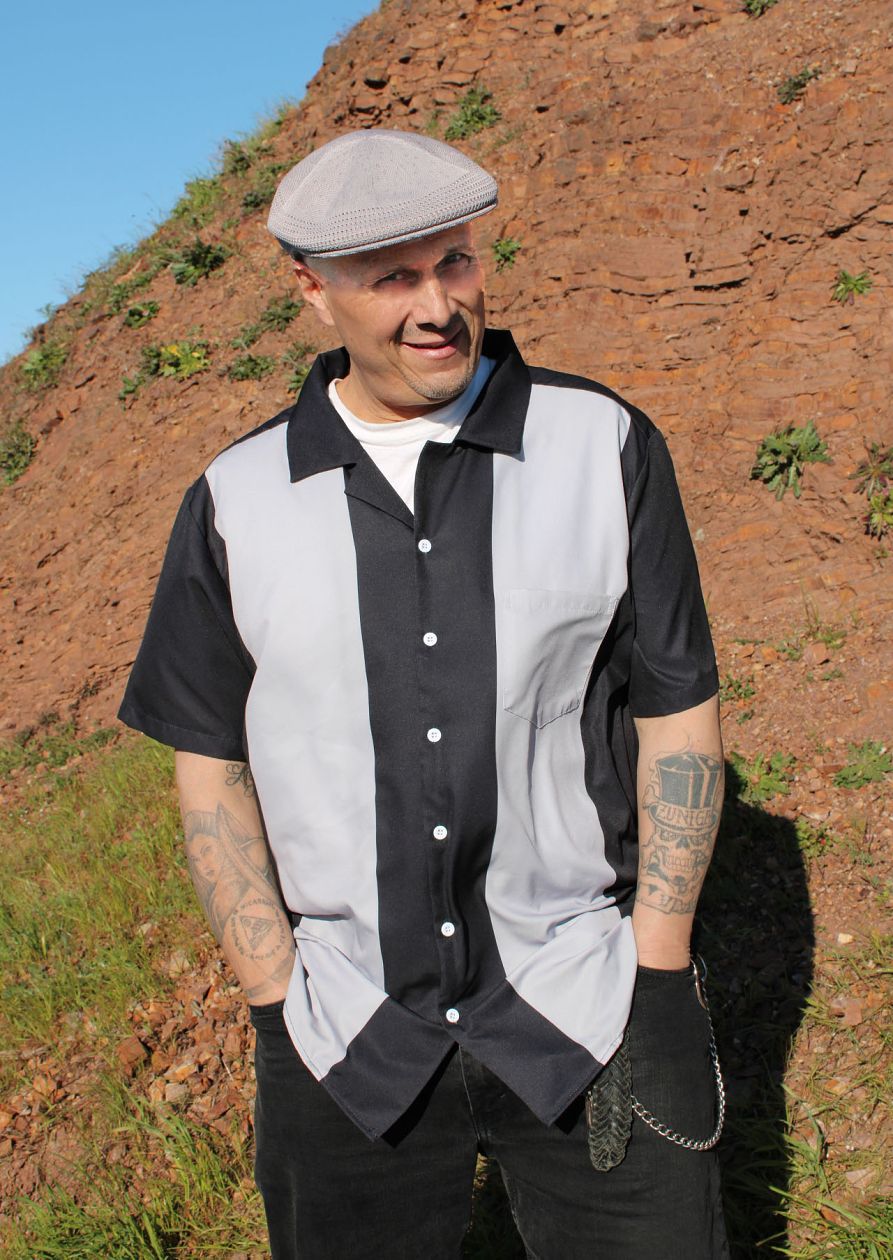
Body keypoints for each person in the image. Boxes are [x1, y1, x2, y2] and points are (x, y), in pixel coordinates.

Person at [119, 129, 729, 1259]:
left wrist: (656, 964)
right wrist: (272, 998)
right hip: (343, 1035)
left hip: (587, 1004)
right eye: (390, 277)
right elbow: (209, 762)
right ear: (312, 291)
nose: (437, 305)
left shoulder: (599, 444)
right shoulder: (235, 498)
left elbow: (675, 709)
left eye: (453, 261)